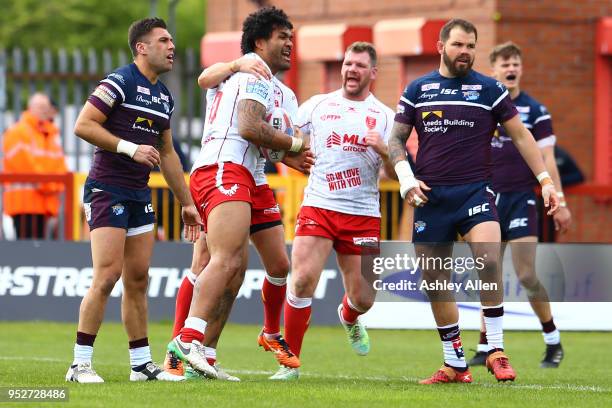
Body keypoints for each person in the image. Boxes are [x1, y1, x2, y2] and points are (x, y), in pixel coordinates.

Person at [388, 19, 560, 384]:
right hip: (430, 197)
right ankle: (454, 364)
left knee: (487, 257)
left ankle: (496, 349)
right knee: (435, 279)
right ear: (441, 46)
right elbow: (395, 141)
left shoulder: (489, 89)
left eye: (470, 46)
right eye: (458, 45)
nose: (465, 52)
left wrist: (545, 180)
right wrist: (405, 180)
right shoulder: (418, 89)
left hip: (475, 192)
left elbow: (523, 138)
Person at [167, 6, 311, 379]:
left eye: (291, 39)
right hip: (222, 166)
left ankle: (209, 355)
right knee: (222, 260)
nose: (289, 45)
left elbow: (268, 143)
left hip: (253, 174)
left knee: (269, 264)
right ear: (261, 42)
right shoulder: (250, 70)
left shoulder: (286, 93)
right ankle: (184, 344)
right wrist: (295, 144)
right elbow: (248, 125)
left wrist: (291, 155)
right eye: (283, 37)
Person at [65, 17, 202, 383]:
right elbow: (83, 124)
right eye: (164, 40)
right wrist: (129, 148)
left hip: (140, 193)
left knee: (138, 279)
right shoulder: (119, 81)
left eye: (172, 40)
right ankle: (79, 365)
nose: (172, 46)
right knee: (107, 276)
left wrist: (187, 202)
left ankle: (141, 365)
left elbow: (168, 154)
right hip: (108, 188)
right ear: (142, 48)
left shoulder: (165, 96)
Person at [268, 42, 396, 381]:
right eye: (347, 63)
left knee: (365, 297)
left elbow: (397, 173)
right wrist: (288, 158)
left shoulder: (386, 117)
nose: (351, 70)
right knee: (303, 279)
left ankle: (349, 316)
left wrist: (385, 152)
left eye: (359, 65)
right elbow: (284, 140)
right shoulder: (317, 106)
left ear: (373, 73)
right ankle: (289, 364)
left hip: (364, 214)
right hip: (320, 206)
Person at [467, 42, 571, 368]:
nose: (511, 69)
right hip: (488, 198)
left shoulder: (535, 110)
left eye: (515, 64)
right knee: (488, 270)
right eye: (504, 64)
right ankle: (487, 345)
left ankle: (552, 339)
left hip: (522, 198)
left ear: (520, 69)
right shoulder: (484, 105)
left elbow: (548, 159)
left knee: (526, 273)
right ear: (494, 70)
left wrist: (560, 199)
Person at [2, 93, 68, 239]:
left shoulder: (50, 135)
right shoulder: (18, 132)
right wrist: (51, 186)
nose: (44, 111)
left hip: (45, 205)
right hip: (24, 204)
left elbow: (61, 167)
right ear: (29, 108)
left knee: (37, 252)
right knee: (26, 251)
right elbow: (26, 167)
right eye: (40, 107)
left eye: (46, 107)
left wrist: (51, 186)